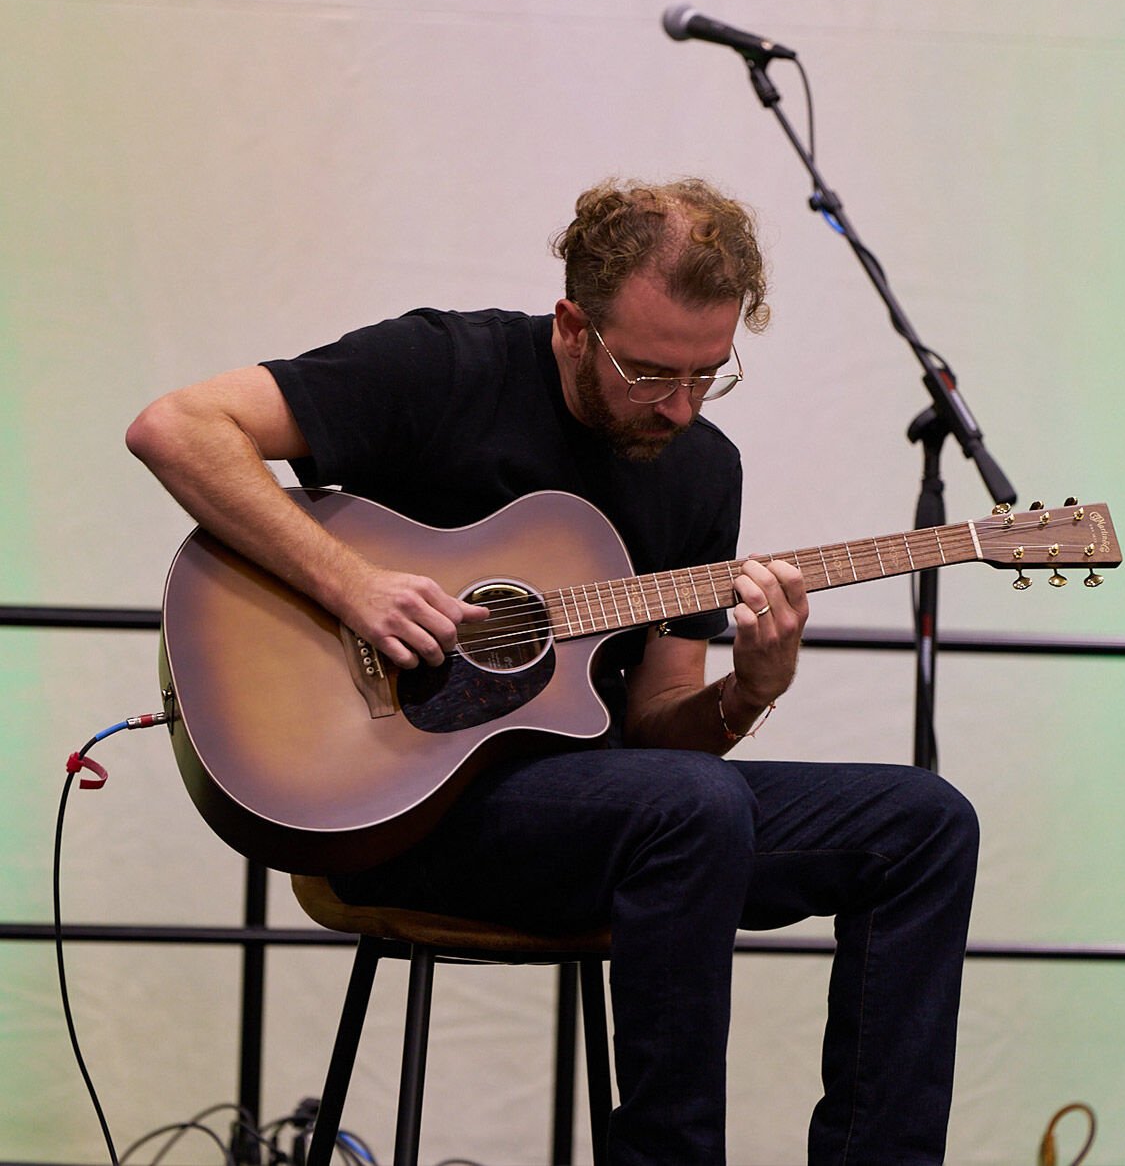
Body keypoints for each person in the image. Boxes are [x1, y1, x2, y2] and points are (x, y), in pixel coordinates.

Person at [127, 178, 979, 1165]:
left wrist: (750, 688)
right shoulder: (445, 367)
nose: (679, 405)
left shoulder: (702, 469)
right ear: (573, 324)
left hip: (604, 815)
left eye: (709, 374)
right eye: (650, 371)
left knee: (922, 823)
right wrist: (355, 586)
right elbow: (176, 427)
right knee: (690, 808)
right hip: (402, 809)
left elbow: (660, 725)